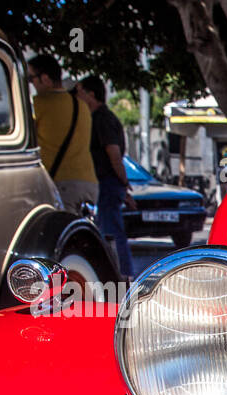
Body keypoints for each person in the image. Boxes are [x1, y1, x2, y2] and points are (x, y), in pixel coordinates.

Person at [75, 75, 136, 280]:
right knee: (108, 230)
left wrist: (123, 182)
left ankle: (121, 277)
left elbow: (114, 154)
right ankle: (118, 276)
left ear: (91, 94)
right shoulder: (97, 118)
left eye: (79, 92)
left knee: (112, 232)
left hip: (108, 183)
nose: (76, 97)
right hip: (106, 182)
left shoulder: (102, 119)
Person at [27, 55, 97, 214]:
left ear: (45, 79)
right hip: (88, 182)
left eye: (31, 79)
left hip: (60, 182)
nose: (31, 84)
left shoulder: (38, 104)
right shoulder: (81, 105)